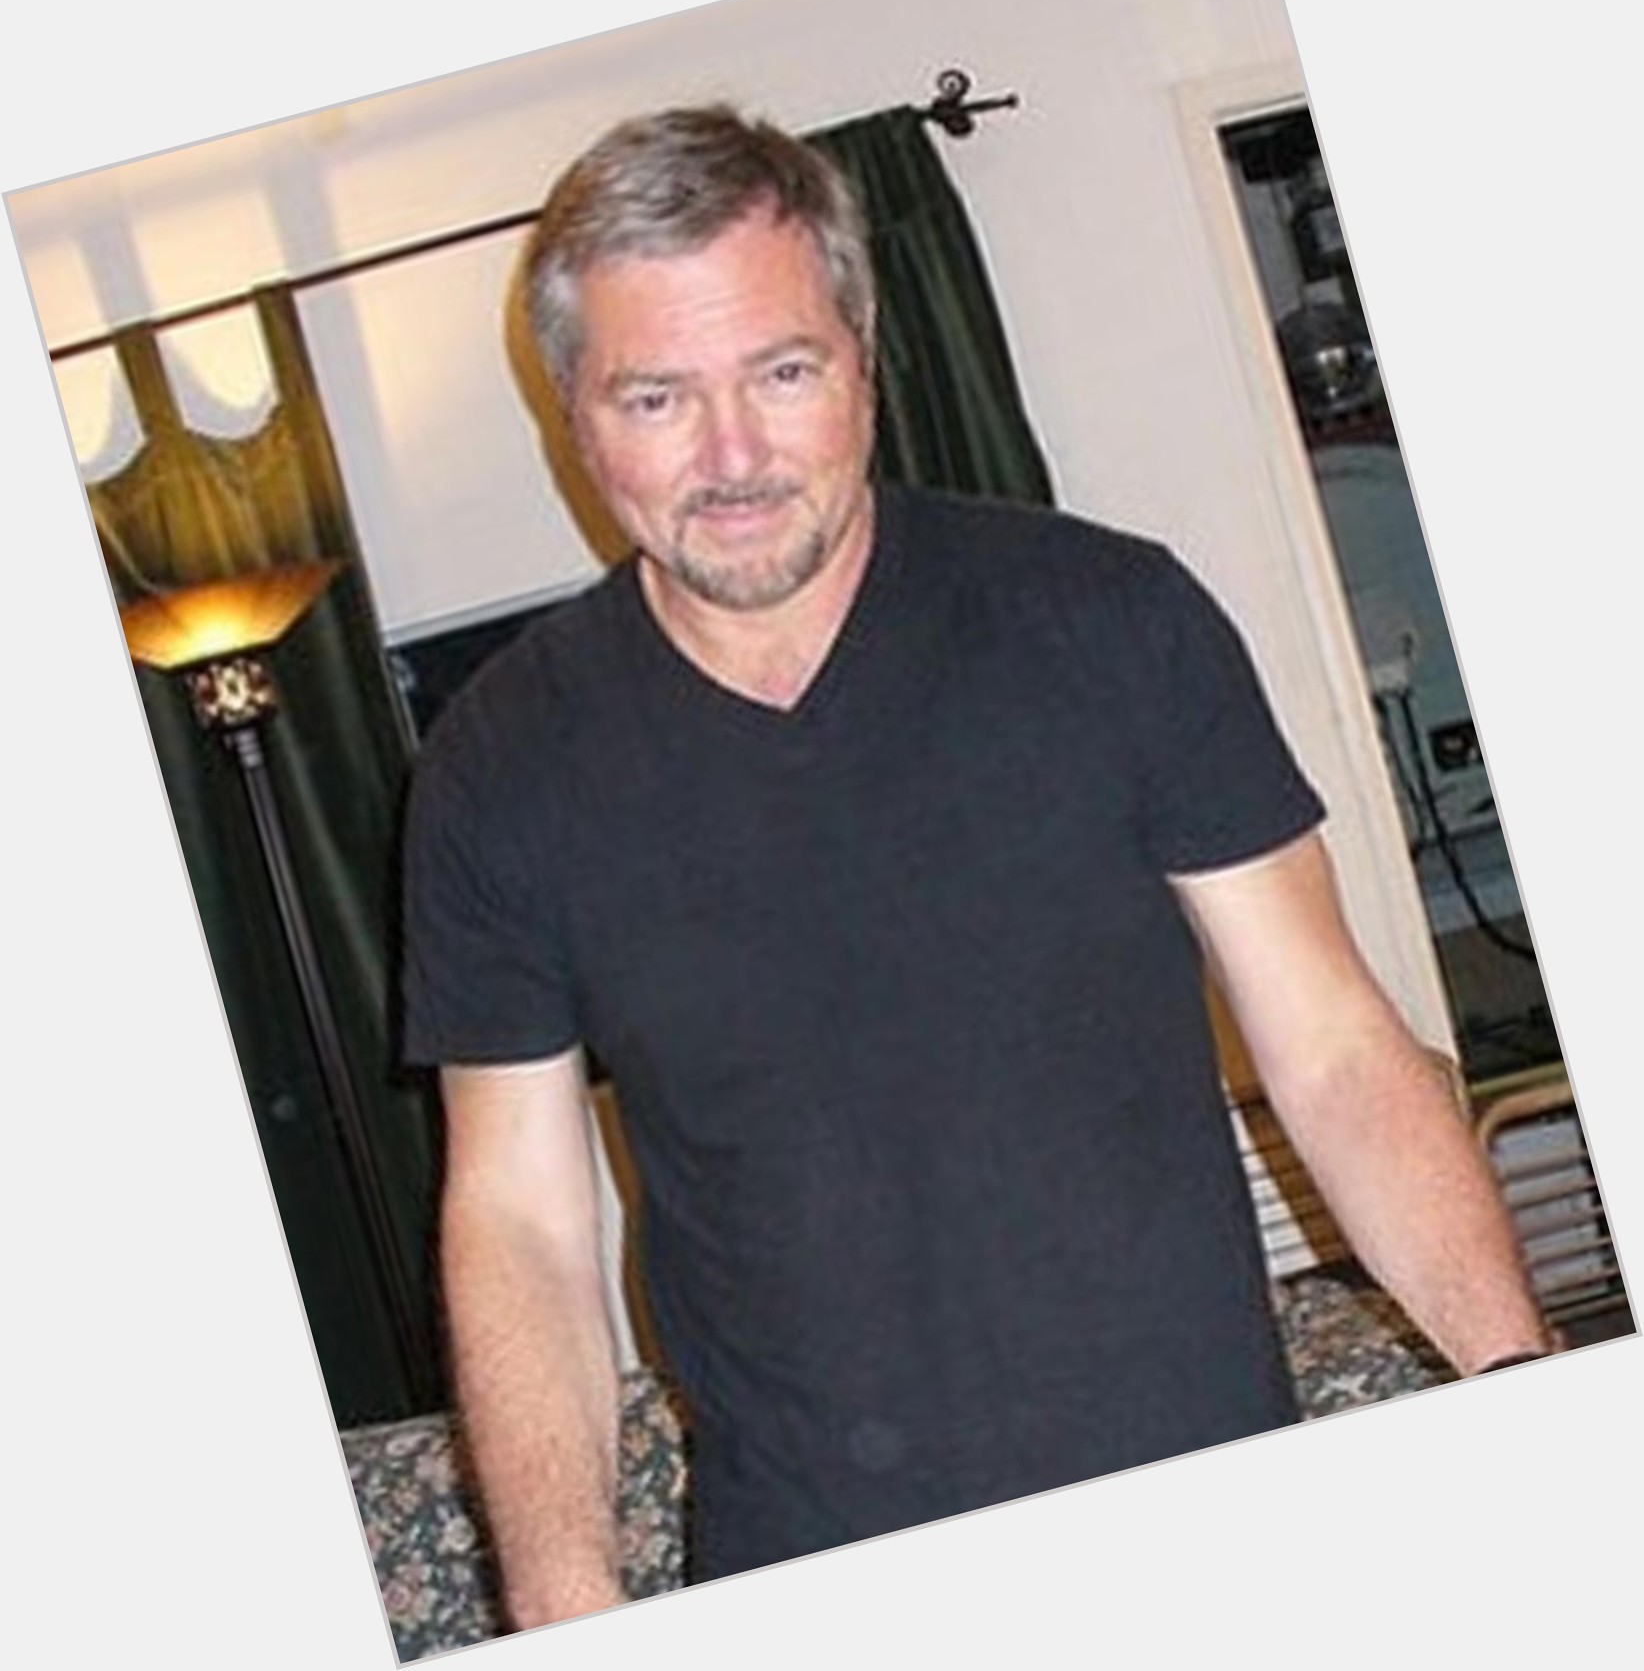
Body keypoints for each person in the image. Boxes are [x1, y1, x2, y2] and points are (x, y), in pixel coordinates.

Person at [399, 106, 1552, 1629]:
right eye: (658, 396)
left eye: (782, 372)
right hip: (811, 1577)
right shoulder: (498, 769)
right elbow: (523, 1225)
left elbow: (1335, 1048)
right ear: (575, 413)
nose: (732, 456)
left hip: (1212, 1529)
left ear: (866, 360)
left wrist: (1521, 1394)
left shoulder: (1112, 620)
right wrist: (562, 1599)